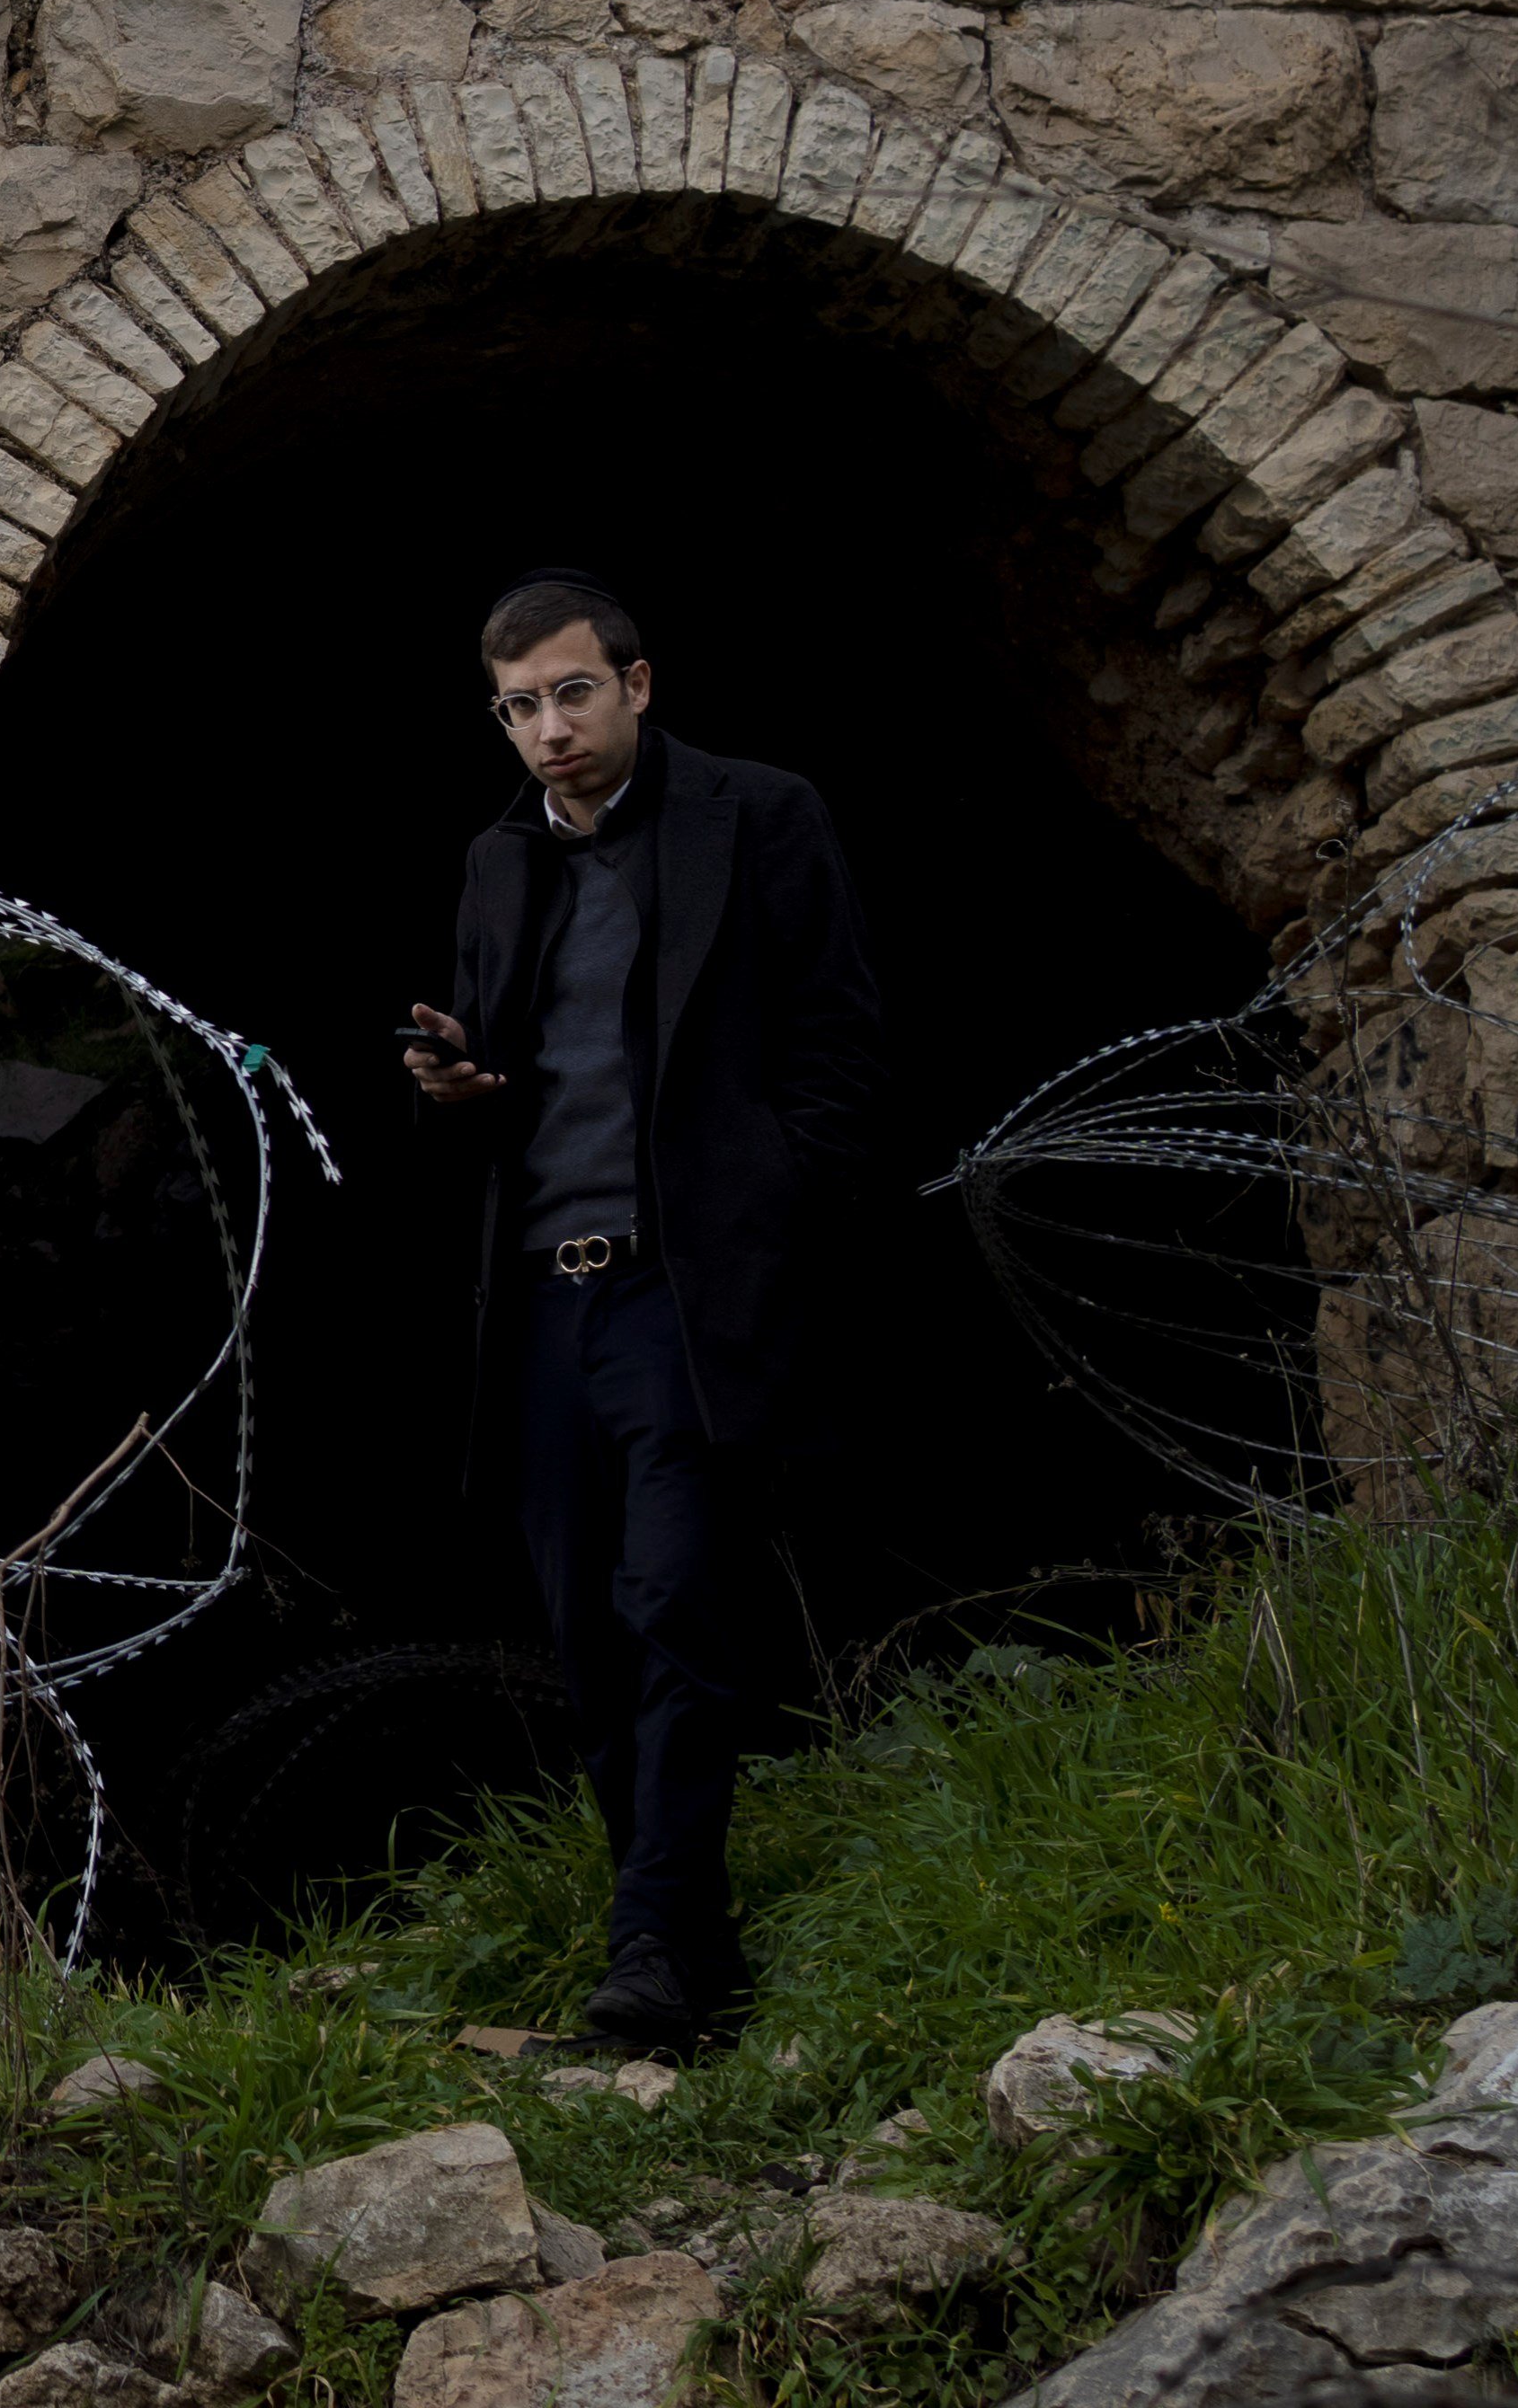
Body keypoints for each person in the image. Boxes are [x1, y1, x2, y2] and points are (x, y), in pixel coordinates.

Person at [397, 566, 886, 2048]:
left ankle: (657, 1951)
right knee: (587, 1631)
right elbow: (505, 1082)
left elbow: (838, 1048)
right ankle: (683, 1932)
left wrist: (768, 1210)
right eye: (518, 708)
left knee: (677, 1600)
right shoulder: (497, 863)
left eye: (571, 694)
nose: (547, 730)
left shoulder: (762, 814)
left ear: (638, 684)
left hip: (684, 1281)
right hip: (546, 1299)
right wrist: (454, 1089)